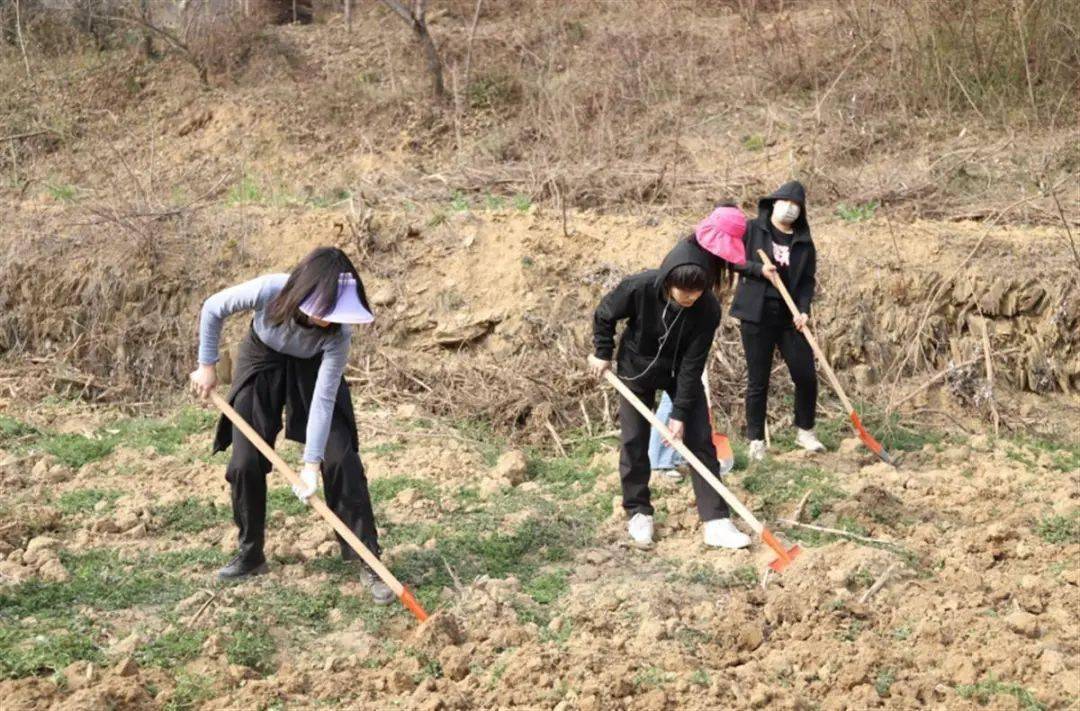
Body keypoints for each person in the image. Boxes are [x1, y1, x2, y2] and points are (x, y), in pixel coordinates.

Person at [188, 247, 393, 604]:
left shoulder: (337, 337)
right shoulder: (271, 290)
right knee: (244, 462)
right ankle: (250, 553)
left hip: (312, 371)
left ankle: (368, 559)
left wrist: (311, 464)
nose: (330, 321)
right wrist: (207, 365)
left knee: (341, 456)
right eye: (326, 312)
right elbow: (213, 308)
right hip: (261, 359)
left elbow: (324, 401)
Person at [589, 225, 750, 550]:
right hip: (637, 368)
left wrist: (679, 413)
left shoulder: (708, 310)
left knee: (700, 439)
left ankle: (716, 521)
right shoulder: (640, 286)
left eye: (696, 291)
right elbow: (605, 313)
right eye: (683, 291)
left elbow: (693, 364)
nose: (689, 297)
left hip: (680, 374)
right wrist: (602, 353)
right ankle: (638, 511)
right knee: (634, 440)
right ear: (667, 281)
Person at [730, 181, 824, 461]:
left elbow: (807, 281)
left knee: (806, 375)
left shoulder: (804, 242)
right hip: (756, 315)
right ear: (773, 203)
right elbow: (733, 260)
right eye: (786, 202)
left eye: (796, 205)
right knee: (758, 380)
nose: (790, 209)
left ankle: (805, 430)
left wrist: (804, 310)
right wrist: (759, 269)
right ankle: (756, 440)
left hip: (790, 315)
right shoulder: (752, 230)